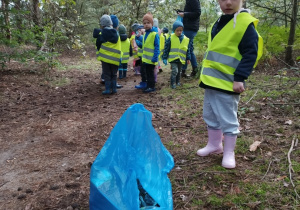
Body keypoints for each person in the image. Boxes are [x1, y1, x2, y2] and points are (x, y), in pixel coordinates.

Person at [196, 0, 263, 169]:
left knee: (228, 119)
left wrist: (240, 78)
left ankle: (229, 152)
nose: (228, 2)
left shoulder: (244, 23)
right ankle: (214, 145)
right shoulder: (219, 21)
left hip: (228, 83)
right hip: (211, 81)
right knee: (210, 115)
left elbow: (250, 53)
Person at [96, 15, 122, 95]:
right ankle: (114, 89)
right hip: (115, 58)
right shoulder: (117, 34)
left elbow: (98, 44)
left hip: (105, 59)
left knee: (107, 74)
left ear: (102, 25)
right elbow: (119, 46)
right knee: (114, 74)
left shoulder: (101, 33)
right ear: (111, 24)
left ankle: (107, 89)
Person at [135, 12, 160, 93]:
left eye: (148, 23)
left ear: (152, 23)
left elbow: (157, 47)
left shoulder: (154, 34)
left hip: (151, 59)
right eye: (144, 23)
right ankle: (148, 86)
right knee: (147, 73)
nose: (146, 25)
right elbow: (144, 45)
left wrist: (155, 57)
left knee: (150, 74)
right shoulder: (145, 34)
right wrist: (138, 40)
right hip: (145, 59)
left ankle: (151, 87)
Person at [162, 21, 191, 89]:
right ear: (174, 30)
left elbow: (188, 49)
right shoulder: (171, 38)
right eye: (177, 30)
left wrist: (188, 58)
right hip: (173, 58)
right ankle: (173, 83)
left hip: (181, 58)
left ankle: (178, 82)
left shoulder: (186, 39)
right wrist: (164, 58)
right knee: (175, 71)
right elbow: (167, 48)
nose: (179, 32)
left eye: (180, 30)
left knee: (179, 71)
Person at [177, 0, 201, 78]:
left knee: (187, 48)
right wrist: (182, 12)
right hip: (188, 27)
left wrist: (184, 14)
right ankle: (191, 69)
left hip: (191, 28)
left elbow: (197, 13)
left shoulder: (194, 0)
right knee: (188, 48)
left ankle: (188, 70)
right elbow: (191, 12)